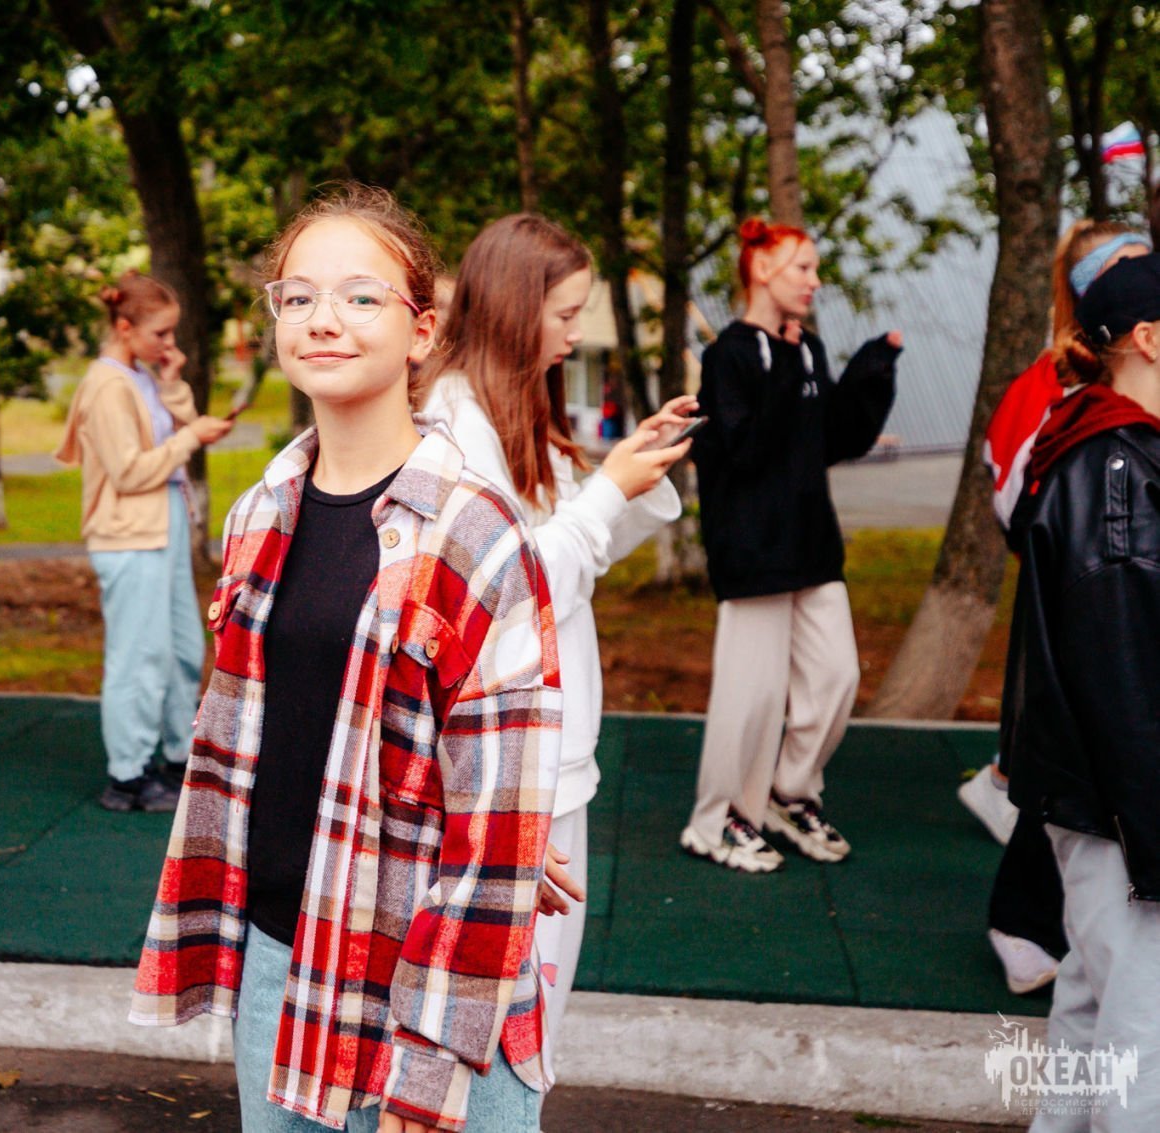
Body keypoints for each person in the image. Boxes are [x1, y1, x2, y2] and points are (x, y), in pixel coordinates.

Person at [130, 186, 561, 1133]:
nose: (323, 319)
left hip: (422, 978)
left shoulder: (476, 533)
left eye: (361, 296)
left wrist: (431, 1059)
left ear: (421, 331)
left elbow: (495, 830)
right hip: (283, 962)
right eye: (298, 297)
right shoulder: (259, 515)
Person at [420, 212, 694, 1061]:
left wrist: (628, 473)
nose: (576, 334)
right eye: (566, 314)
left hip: (551, 744)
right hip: (511, 755)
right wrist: (608, 488)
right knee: (513, 1012)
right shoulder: (455, 423)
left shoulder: (513, 402)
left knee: (539, 1001)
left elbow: (579, 551)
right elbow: (515, 587)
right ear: (514, 307)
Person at [682, 217, 902, 873]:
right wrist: (782, 367)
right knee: (750, 696)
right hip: (752, 553)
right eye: (803, 267)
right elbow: (744, 451)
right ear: (761, 269)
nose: (815, 280)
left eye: (814, 268)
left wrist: (872, 373)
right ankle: (718, 819)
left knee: (837, 677)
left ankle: (789, 791)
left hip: (812, 547)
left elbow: (830, 439)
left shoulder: (807, 349)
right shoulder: (729, 356)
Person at [966, 221, 1151, 996]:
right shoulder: (1088, 433)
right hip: (1083, 635)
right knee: (1138, 1017)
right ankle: (1021, 919)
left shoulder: (1119, 430)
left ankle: (1039, 921)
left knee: (1097, 984)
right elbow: (1017, 496)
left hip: (1098, 739)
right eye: (1132, 265)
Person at [1001, 252, 1160, 1132]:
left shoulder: (1098, 446)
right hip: (1122, 811)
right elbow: (1123, 673)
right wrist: (1151, 833)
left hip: (1095, 803)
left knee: (1095, 1008)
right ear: (1149, 338)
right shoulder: (1118, 470)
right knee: (1144, 1035)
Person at [54, 271, 234, 812]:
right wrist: (190, 437)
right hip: (128, 535)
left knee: (181, 648)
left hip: (163, 524)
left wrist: (172, 382)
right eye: (161, 334)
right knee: (139, 656)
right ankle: (128, 776)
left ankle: (179, 756)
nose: (169, 343)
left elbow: (181, 424)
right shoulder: (107, 386)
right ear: (125, 327)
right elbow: (129, 472)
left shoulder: (140, 376)